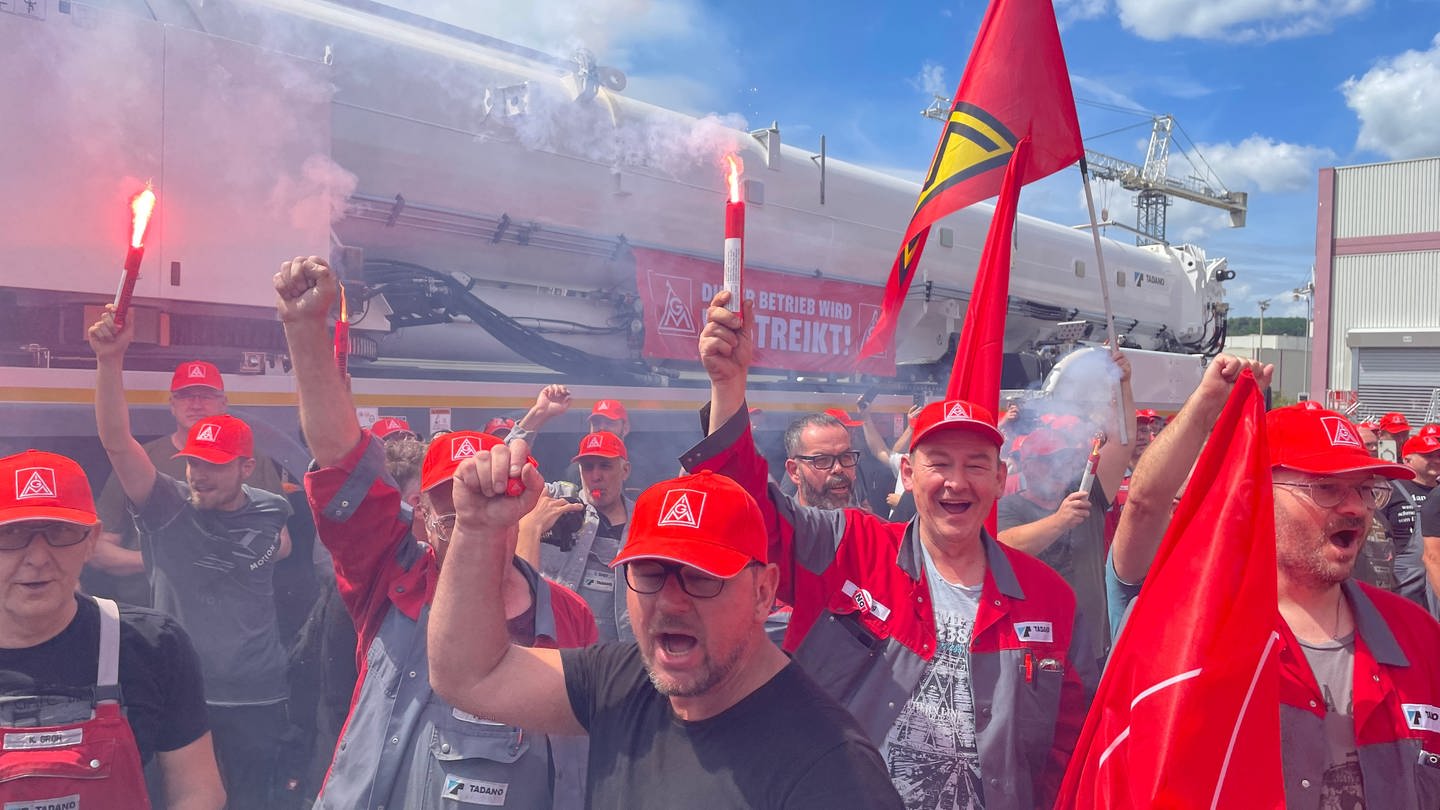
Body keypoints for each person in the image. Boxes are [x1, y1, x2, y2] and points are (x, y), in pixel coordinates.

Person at [679, 291, 1092, 810]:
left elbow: (1069, 752)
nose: (955, 482)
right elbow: (743, 516)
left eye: (976, 465)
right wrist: (728, 386)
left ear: (1000, 479)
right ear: (907, 472)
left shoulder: (1051, 599)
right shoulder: (850, 545)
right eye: (938, 462)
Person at [274, 255, 597, 810]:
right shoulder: (391, 581)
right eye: (451, 505)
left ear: (514, 508)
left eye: (484, 502)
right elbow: (340, 463)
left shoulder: (568, 616)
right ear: (420, 515)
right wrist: (305, 331)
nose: (469, 520)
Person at [426, 452, 906, 809]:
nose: (670, 603)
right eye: (650, 573)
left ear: (764, 592)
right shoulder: (621, 681)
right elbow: (470, 676)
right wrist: (475, 529)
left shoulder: (832, 771)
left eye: (701, 577)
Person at [89, 310, 293, 810]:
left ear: (246, 468)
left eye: (214, 466)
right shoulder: (168, 505)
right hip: (181, 686)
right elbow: (117, 442)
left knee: (254, 800)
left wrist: (248, 560)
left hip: (258, 690)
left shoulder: (272, 505)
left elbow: (280, 541)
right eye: (193, 463)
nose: (199, 475)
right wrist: (110, 360)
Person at [0, 449, 224, 810]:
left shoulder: (151, 645)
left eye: (60, 531)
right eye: (11, 533)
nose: (38, 557)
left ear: (92, 540)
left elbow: (197, 790)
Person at [1265, 404, 1440, 808]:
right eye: (1326, 487)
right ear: (1258, 491)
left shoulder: (1418, 636)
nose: (1356, 508)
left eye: (1365, 490)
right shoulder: (1205, 641)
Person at [85, 360, 286, 608]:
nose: (196, 404)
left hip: (231, 610)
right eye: (185, 396)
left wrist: (227, 560)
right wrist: (164, 559)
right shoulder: (143, 462)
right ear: (172, 405)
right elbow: (99, 550)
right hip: (147, 608)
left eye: (206, 396)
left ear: (224, 404)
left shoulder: (250, 459)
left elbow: (282, 542)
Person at [1106, 355, 1274, 635]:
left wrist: (1242, 410)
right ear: (1172, 506)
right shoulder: (1145, 563)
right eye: (1197, 498)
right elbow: (1144, 503)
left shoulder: (1247, 566)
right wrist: (1208, 401)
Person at [996, 363, 1135, 667]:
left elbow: (1122, 444)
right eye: (1046, 460)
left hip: (1091, 650)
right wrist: (1060, 521)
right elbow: (1004, 548)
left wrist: (1122, 386)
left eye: (1061, 458)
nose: (1055, 467)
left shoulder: (1087, 495)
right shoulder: (1010, 507)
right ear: (1027, 465)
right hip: (1035, 650)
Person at [520, 430, 635, 642]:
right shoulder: (557, 503)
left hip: (616, 657)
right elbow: (509, 476)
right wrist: (535, 419)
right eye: (587, 467)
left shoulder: (641, 523)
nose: (595, 476)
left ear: (625, 470)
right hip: (559, 650)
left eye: (605, 466)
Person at [1378, 433, 1440, 614]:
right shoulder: (1391, 490)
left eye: (1438, 455)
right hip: (1404, 580)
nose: (1436, 460)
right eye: (1428, 456)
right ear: (1407, 459)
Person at [783, 412, 862, 509]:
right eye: (822, 460)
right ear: (794, 471)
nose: (838, 468)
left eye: (846, 457)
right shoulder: (780, 523)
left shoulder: (867, 523)